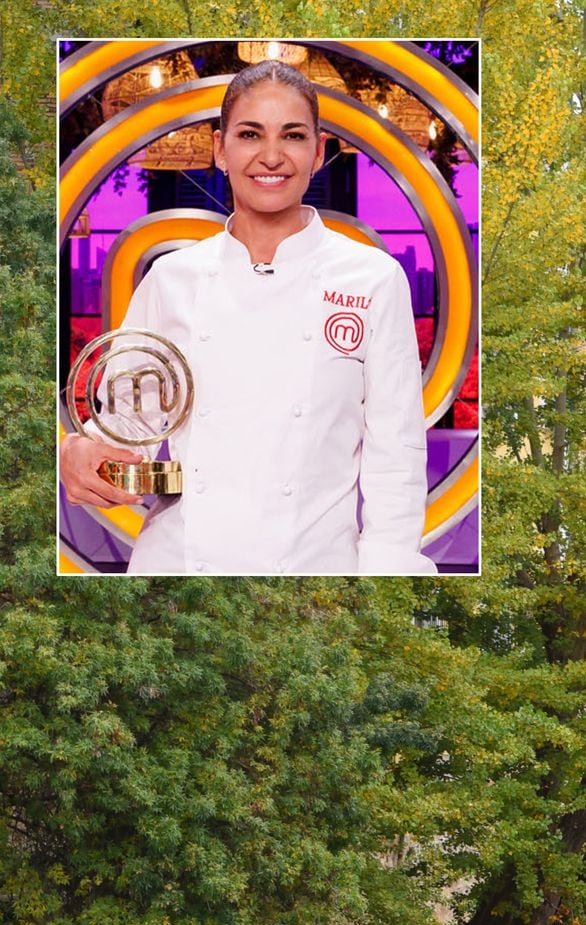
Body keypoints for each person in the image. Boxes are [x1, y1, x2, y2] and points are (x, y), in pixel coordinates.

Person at [59, 59, 436, 575]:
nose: (272, 156)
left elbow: (396, 456)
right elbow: (127, 434)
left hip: (315, 573)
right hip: (178, 566)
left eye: (294, 136)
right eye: (250, 134)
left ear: (318, 152)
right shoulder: (171, 280)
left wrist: (384, 584)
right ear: (220, 149)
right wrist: (82, 451)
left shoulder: (372, 279)